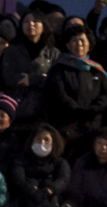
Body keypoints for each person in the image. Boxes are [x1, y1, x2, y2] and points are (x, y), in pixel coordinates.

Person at [42, 25, 107, 156]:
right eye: (74, 40)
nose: (79, 44)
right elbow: (58, 94)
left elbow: (105, 95)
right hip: (67, 127)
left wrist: (94, 110)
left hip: (93, 127)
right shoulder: (58, 68)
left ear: (89, 44)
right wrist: (78, 111)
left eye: (82, 40)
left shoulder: (97, 70)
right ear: (67, 44)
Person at [10, 123, 73, 207]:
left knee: (54, 199)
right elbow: (18, 178)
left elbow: (63, 179)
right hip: (28, 196)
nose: (42, 142)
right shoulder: (21, 159)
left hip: (51, 194)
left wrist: (51, 189)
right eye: (38, 139)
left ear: (53, 142)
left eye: (46, 140)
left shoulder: (60, 162)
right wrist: (32, 191)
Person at [66, 131, 107, 207]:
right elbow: (74, 188)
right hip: (87, 205)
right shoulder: (82, 163)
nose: (103, 148)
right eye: (99, 143)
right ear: (93, 144)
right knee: (71, 204)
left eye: (106, 144)